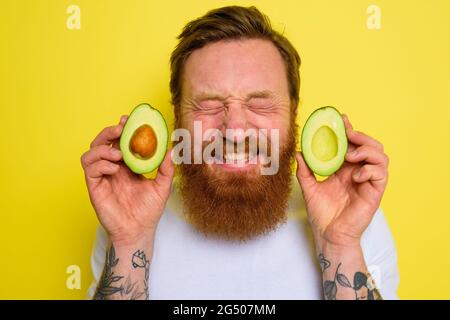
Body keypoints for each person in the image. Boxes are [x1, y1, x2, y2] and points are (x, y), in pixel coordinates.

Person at [81, 6, 398, 300]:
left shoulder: (351, 222)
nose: (234, 131)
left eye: (260, 102)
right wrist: (129, 243)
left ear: (293, 112)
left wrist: (338, 244)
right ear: (177, 116)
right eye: (208, 104)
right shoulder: (132, 220)